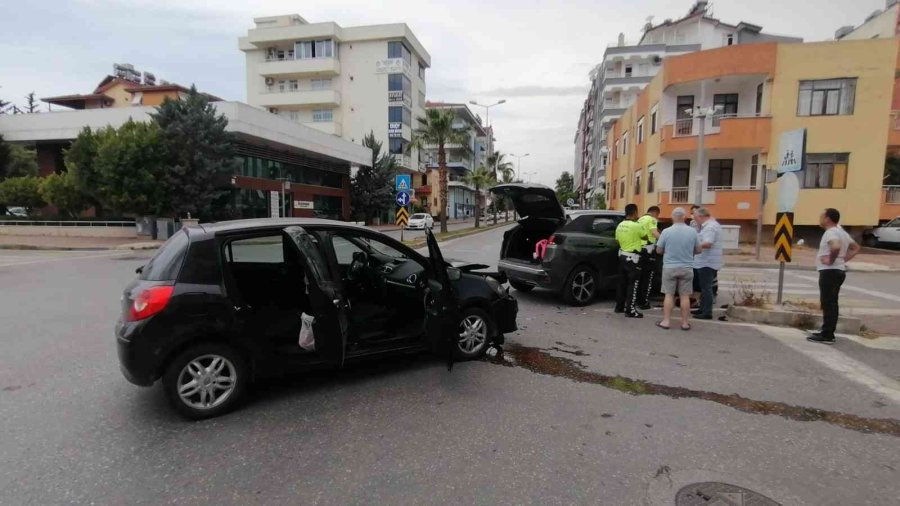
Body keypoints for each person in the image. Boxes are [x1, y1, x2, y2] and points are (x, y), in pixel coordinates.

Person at [808, 208, 860, 345]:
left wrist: (831, 260)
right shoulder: (841, 232)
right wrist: (842, 261)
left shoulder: (830, 232)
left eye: (822, 215)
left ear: (827, 218)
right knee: (831, 302)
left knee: (828, 303)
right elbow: (855, 248)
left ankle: (827, 335)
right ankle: (827, 332)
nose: (820, 218)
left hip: (830, 271)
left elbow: (835, 247)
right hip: (838, 271)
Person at [655, 208, 702, 330]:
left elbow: (658, 250)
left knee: (669, 295)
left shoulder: (666, 231)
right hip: (686, 267)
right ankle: (685, 323)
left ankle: (666, 321)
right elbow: (699, 250)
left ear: (673, 217)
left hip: (670, 267)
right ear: (684, 217)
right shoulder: (692, 232)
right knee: (685, 296)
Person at [615, 203, 648, 318]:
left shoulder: (620, 225)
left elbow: (617, 241)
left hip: (622, 256)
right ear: (634, 212)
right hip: (633, 258)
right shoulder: (637, 225)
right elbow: (645, 237)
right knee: (632, 285)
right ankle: (630, 310)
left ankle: (619, 306)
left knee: (621, 283)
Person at [692, 207, 722, 320]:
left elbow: (708, 243)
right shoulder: (711, 225)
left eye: (695, 218)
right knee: (704, 287)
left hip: (707, 262)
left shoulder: (710, 227)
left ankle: (707, 312)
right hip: (705, 261)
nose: (695, 221)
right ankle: (702, 308)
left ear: (701, 216)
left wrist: (693, 247)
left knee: (706, 288)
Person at [636, 206, 661, 310]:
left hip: (639, 250)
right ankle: (643, 302)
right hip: (648, 251)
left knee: (639, 277)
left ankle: (637, 300)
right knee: (647, 278)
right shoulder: (652, 219)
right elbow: (654, 233)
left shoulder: (640, 219)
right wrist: (664, 240)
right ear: (656, 213)